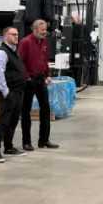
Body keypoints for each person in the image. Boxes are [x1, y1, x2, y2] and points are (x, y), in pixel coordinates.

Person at [17, 19, 60, 152]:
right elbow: (20, 62)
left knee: (45, 109)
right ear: (34, 29)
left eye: (45, 30)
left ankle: (44, 140)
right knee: (26, 111)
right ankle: (26, 142)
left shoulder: (44, 42)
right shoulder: (25, 42)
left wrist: (47, 75)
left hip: (41, 79)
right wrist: (27, 77)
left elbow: (44, 60)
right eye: (42, 30)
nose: (44, 32)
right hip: (29, 81)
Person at [0, 26, 28, 163]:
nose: (16, 37)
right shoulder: (2, 52)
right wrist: (6, 92)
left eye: (17, 34)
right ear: (5, 36)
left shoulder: (14, 51)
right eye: (13, 34)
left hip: (18, 92)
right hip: (9, 93)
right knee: (3, 121)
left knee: (13, 120)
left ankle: (9, 147)